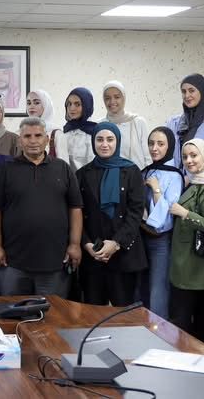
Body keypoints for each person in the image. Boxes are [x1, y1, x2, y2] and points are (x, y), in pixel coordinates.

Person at [0, 117, 83, 297]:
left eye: (38, 135)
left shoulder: (63, 168)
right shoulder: (6, 170)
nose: (33, 141)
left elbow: (75, 208)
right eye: (27, 136)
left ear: (47, 139)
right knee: (12, 312)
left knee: (53, 312)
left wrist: (75, 245)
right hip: (12, 262)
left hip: (55, 262)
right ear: (19, 140)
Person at [76, 122, 147, 306]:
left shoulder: (131, 171)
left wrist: (116, 243)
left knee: (123, 315)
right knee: (92, 314)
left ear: (118, 141)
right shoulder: (82, 174)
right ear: (93, 142)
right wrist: (86, 244)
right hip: (93, 255)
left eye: (110, 139)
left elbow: (135, 213)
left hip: (123, 255)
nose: (104, 144)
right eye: (99, 139)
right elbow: (77, 214)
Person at [168, 138, 204, 351]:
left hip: (196, 267)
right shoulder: (193, 183)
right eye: (185, 157)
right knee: (200, 316)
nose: (189, 160)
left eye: (194, 155)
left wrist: (185, 213)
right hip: (186, 263)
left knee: (200, 319)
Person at [139, 126, 184, 319]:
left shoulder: (175, 175)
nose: (154, 148)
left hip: (160, 240)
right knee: (140, 286)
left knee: (158, 290)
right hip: (141, 236)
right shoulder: (146, 171)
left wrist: (156, 189)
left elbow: (165, 217)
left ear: (170, 146)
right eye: (151, 143)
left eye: (160, 144)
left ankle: (159, 332)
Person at [100, 81, 149, 169]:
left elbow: (147, 156)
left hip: (138, 175)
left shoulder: (138, 122)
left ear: (124, 98)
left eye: (117, 97)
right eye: (107, 98)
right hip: (110, 175)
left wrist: (147, 175)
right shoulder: (100, 125)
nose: (112, 101)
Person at [50, 87, 96, 171]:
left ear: (87, 106)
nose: (72, 108)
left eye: (77, 104)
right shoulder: (65, 131)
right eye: (69, 104)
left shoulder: (93, 134)